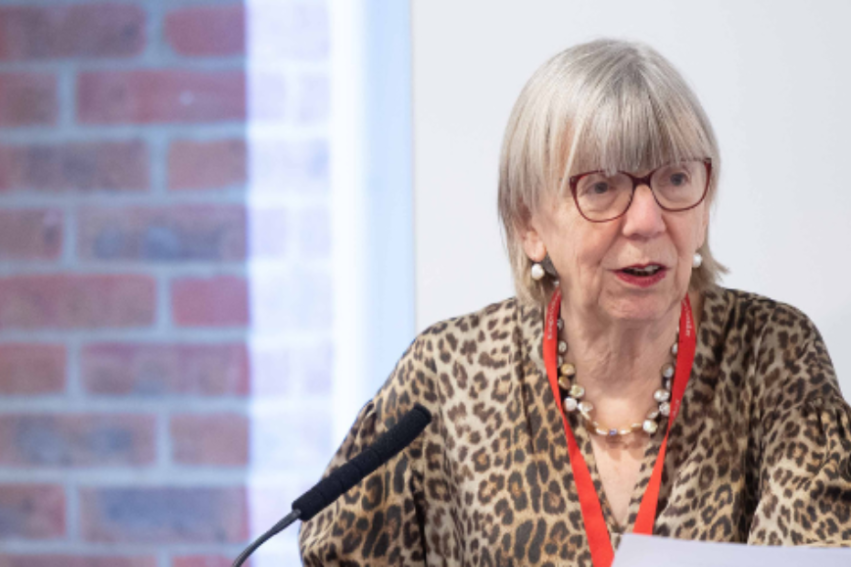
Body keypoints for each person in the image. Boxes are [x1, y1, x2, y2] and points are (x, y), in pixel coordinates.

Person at [299, 39, 851, 566]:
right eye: (601, 187)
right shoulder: (448, 376)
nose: (647, 220)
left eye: (677, 178)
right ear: (528, 224)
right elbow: (339, 551)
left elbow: (815, 552)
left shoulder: (772, 355)